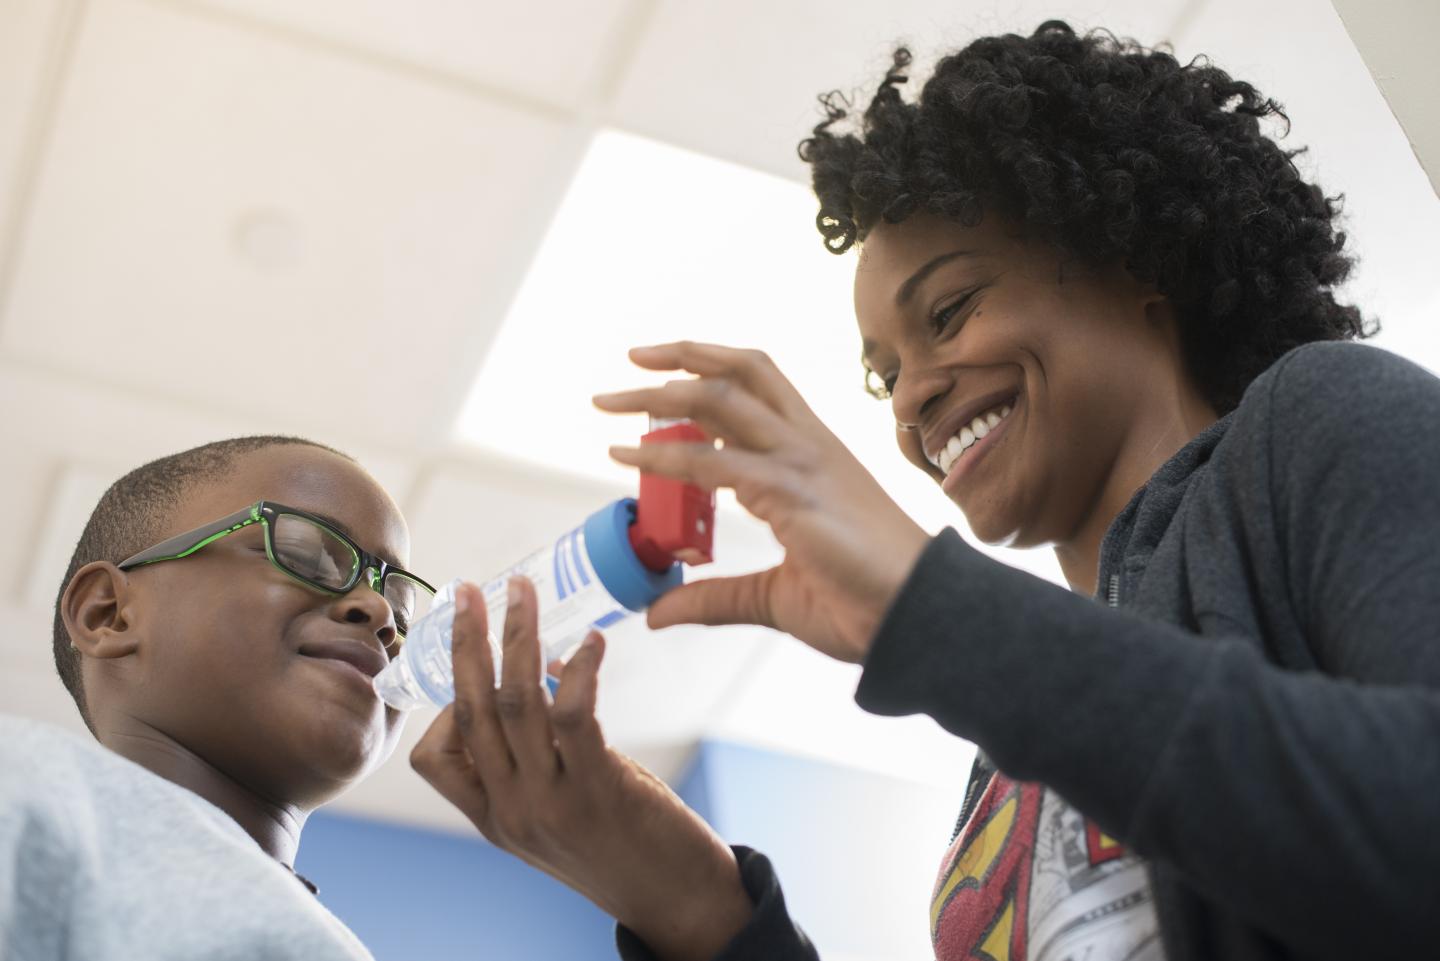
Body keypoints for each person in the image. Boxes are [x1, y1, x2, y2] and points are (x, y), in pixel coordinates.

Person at [407, 21, 1440, 961]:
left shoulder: (1315, 426)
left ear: (1138, 263)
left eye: (949, 310)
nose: (911, 401)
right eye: (883, 373)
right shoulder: (1003, 769)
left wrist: (928, 608)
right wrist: (687, 901)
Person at [1, 436, 445, 959]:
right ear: (108, 613)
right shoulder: (24, 788)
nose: (379, 613)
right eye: (304, 555)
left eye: (400, 605)